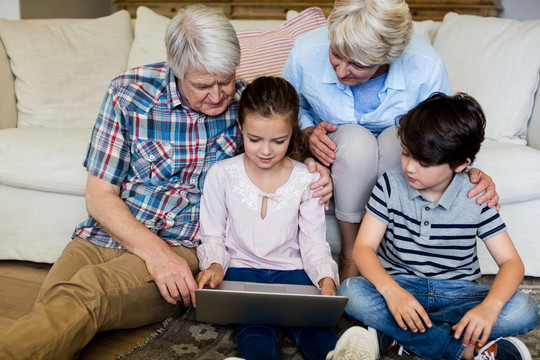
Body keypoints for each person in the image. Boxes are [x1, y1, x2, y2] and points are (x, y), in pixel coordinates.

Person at [0, 6, 332, 360]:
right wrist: (152, 254)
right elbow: (99, 196)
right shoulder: (128, 94)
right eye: (203, 85)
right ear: (175, 70)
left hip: (178, 245)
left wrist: (311, 158)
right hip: (102, 235)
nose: (219, 95)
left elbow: (276, 144)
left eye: (225, 80)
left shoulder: (244, 104)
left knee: (87, 293)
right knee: (56, 303)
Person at [282, 0, 500, 281]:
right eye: (336, 54)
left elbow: (446, 127)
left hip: (400, 141)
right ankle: (350, 255)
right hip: (344, 146)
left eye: (357, 65)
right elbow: (288, 107)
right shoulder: (305, 50)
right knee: (356, 146)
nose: (340, 71)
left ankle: (388, 256)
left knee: (396, 143)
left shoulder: (425, 65)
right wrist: (307, 132)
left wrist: (471, 170)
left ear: (387, 57)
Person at [336, 93, 538, 360]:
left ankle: (396, 336)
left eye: (425, 163)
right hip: (401, 286)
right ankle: (463, 348)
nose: (409, 167)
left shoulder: (476, 195)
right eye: (406, 153)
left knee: (524, 308)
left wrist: (489, 307)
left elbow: (512, 262)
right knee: (351, 292)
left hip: (457, 295)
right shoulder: (389, 184)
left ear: (461, 164)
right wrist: (393, 292)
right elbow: (363, 249)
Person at [196, 76, 340, 360]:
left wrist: (326, 279)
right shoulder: (222, 174)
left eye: (278, 141)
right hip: (241, 269)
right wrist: (213, 265)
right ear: (240, 127)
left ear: (293, 132)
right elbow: (213, 235)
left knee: (316, 329)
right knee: (254, 327)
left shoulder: (305, 179)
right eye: (254, 139)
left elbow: (313, 242)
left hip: (294, 272)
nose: (265, 151)